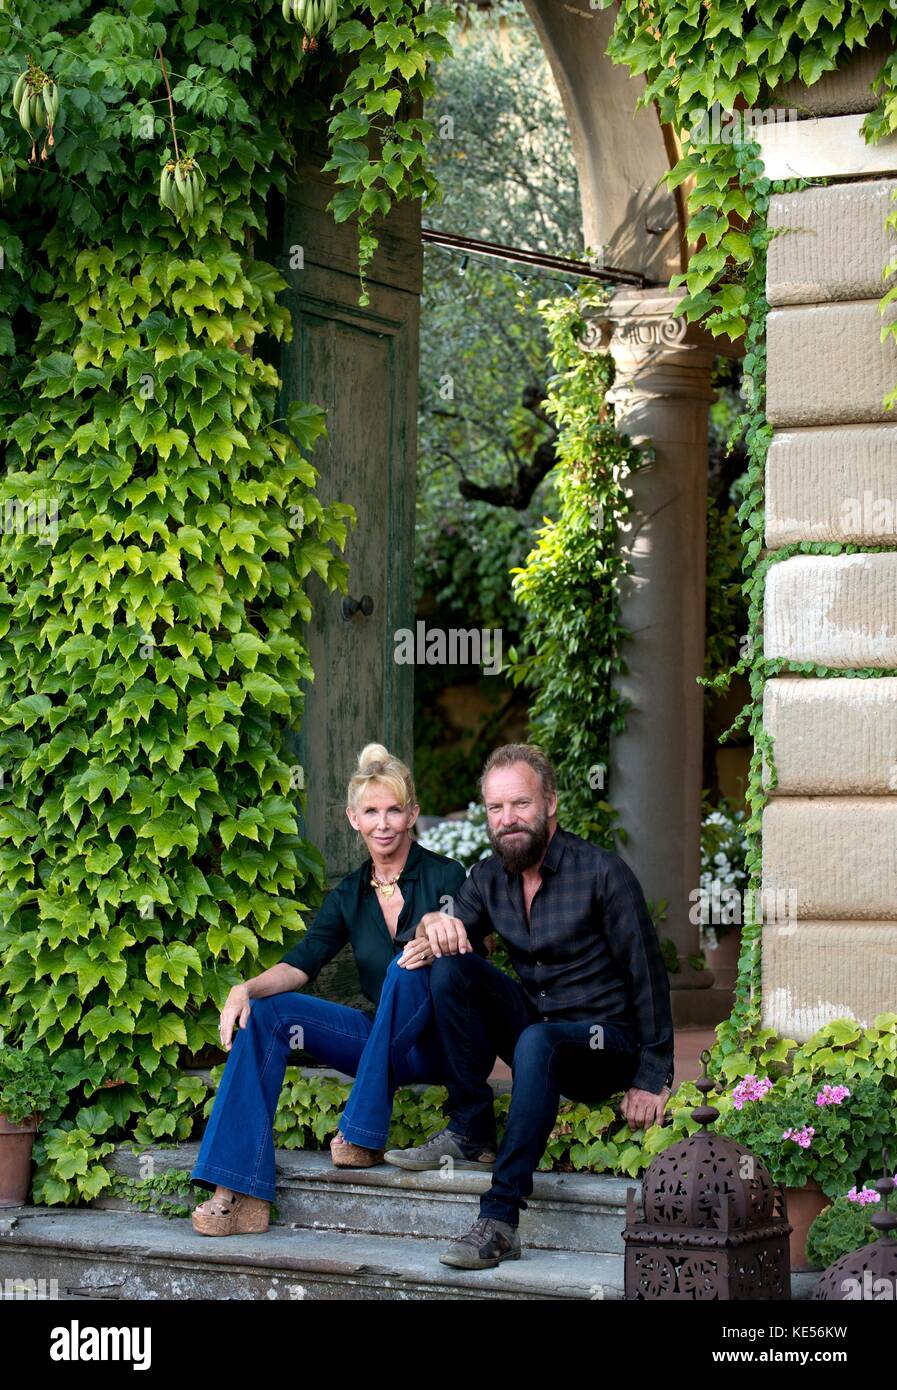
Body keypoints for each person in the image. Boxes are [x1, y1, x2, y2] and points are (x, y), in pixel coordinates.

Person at [383, 742, 675, 1271]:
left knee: (539, 1039)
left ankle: (499, 1218)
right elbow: (423, 930)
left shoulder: (603, 874)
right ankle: (471, 1126)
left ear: (551, 804)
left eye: (520, 804)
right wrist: (433, 923)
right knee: (451, 966)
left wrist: (653, 1074)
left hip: (604, 1045)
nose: (508, 819)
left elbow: (648, 976)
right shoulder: (491, 877)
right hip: (536, 1037)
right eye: (496, 809)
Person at [189, 742, 479, 1236]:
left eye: (393, 810)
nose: (383, 823)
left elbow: (472, 955)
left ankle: (362, 1133)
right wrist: (246, 988)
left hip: (439, 1044)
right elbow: (302, 964)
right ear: (353, 818)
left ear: (412, 814)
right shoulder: (348, 894)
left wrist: (436, 937)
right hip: (382, 1046)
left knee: (407, 967)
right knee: (267, 1014)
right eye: (371, 812)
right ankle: (238, 1194)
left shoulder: (445, 874)